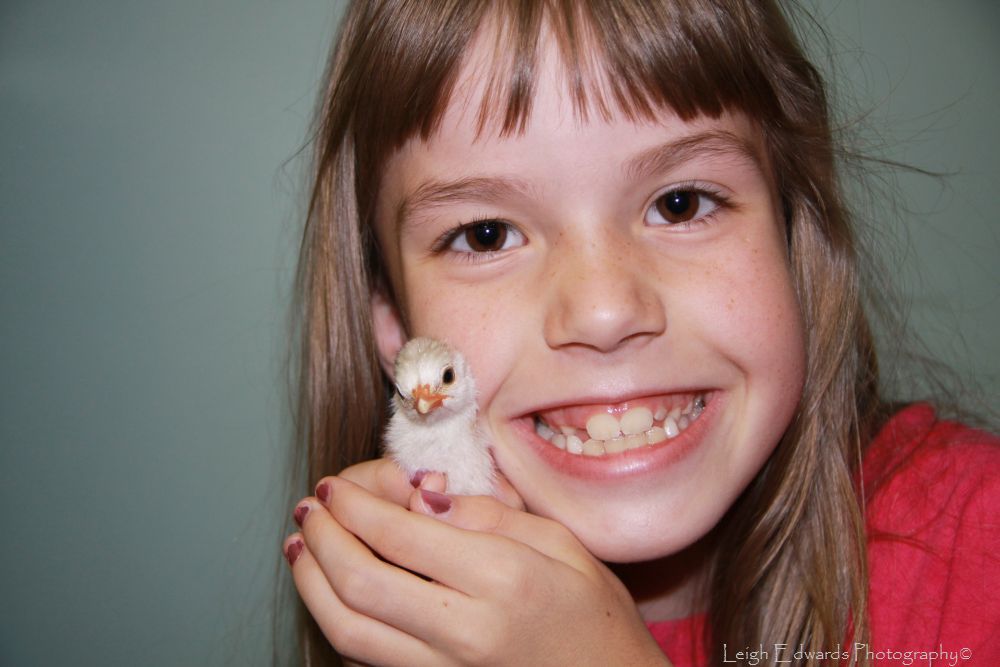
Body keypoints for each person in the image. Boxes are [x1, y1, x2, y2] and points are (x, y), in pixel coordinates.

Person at [279, 1, 1000, 665]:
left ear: (791, 231)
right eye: (486, 233)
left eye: (680, 204)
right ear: (394, 323)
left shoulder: (979, 546)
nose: (604, 311)